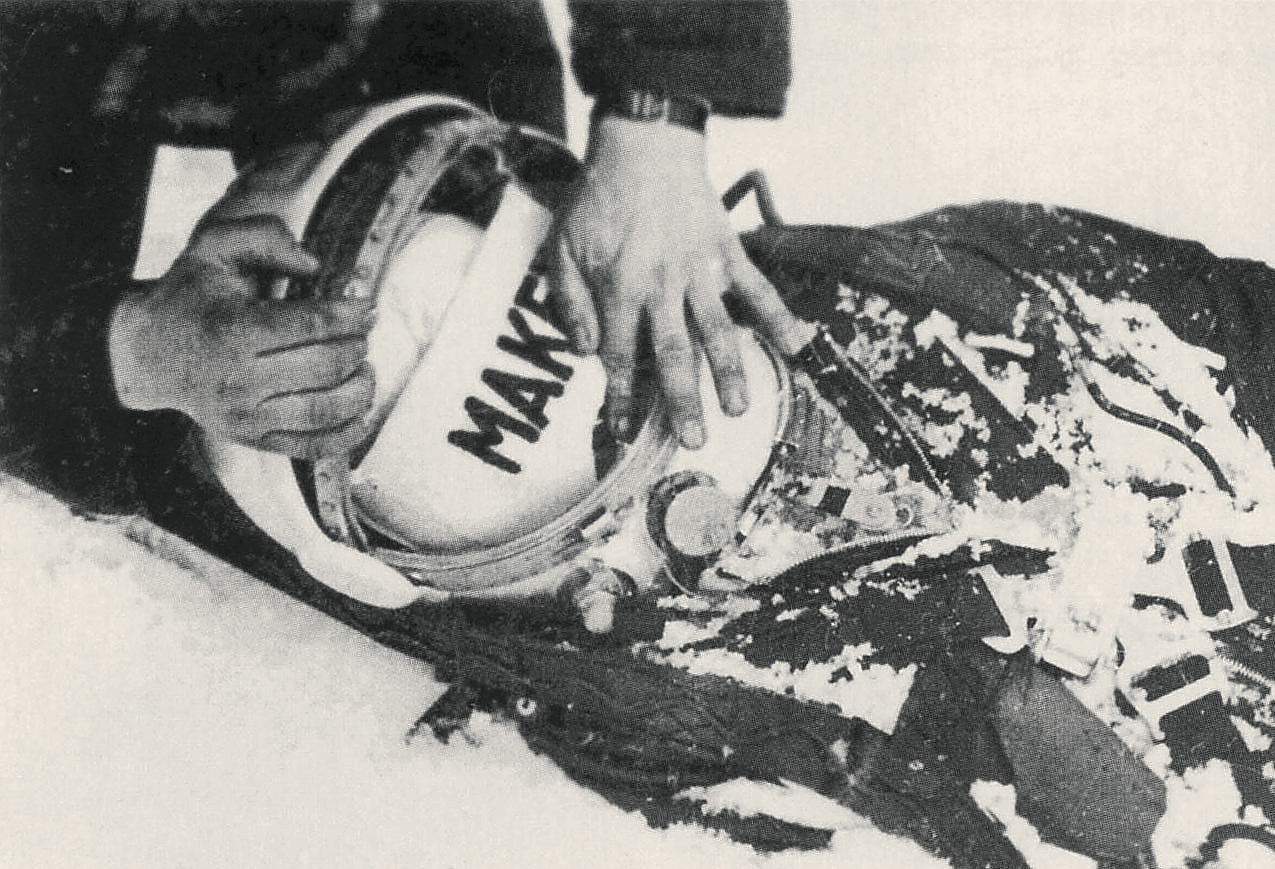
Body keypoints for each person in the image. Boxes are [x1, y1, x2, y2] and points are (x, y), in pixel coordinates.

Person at [0, 0, 802, 515]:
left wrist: (655, 117)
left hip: (373, 19)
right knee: (112, 414)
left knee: (482, 285)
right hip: (42, 68)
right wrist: (130, 349)